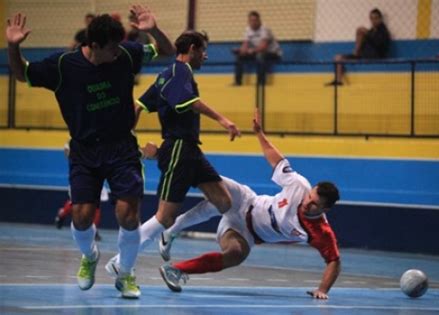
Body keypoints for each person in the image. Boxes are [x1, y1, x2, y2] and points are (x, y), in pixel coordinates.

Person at [6, 4, 175, 299]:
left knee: (128, 214)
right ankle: (90, 256)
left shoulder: (124, 54)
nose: (116, 53)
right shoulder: (62, 66)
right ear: (93, 46)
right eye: (111, 48)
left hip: (121, 147)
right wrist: (12, 47)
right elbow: (23, 74)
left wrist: (154, 30)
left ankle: (125, 273)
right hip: (84, 151)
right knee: (82, 217)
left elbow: (167, 51)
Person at [155, 111, 341, 299]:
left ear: (325, 210)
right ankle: (170, 229)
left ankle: (176, 270)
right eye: (309, 197)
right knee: (211, 185)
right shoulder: (299, 185)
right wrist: (259, 133)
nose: (307, 203)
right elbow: (276, 160)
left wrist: (323, 290)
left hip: (244, 233)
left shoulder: (321, 232)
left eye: (314, 204)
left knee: (235, 255)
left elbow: (334, 260)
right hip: (246, 201)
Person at [104, 31, 241, 276]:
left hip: (190, 150)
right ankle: (120, 260)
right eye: (203, 50)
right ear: (191, 48)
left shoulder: (164, 76)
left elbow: (139, 105)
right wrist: (223, 120)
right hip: (179, 148)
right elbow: (190, 102)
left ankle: (172, 231)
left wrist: (128, 135)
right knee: (164, 216)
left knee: (223, 201)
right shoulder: (180, 72)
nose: (205, 56)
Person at [326, 8, 391, 86]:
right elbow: (366, 42)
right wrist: (365, 34)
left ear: (380, 19)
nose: (373, 21)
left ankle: (355, 55)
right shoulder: (371, 31)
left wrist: (366, 33)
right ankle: (338, 80)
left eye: (376, 18)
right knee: (337, 58)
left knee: (361, 30)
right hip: (363, 56)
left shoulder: (383, 32)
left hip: (376, 57)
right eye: (372, 18)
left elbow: (379, 44)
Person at [233, 11, 282, 86]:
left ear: (259, 20)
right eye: (251, 21)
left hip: (273, 53)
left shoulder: (265, 29)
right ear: (248, 21)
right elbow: (245, 44)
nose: (253, 22)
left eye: (255, 20)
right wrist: (241, 50)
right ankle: (238, 82)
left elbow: (263, 46)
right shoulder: (248, 30)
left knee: (260, 56)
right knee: (239, 57)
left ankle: (261, 82)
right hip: (257, 52)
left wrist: (252, 51)